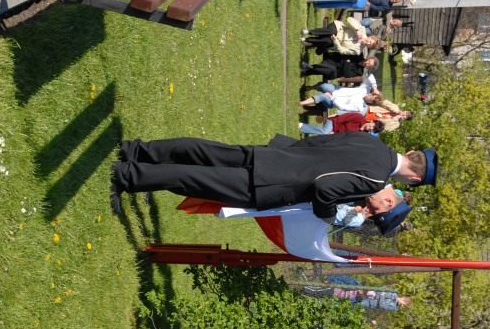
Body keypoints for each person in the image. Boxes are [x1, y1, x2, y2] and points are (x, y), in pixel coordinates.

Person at [111, 133, 439, 234]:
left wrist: (288, 154)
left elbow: (321, 141)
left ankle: (137, 150)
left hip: (277, 157)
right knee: (196, 179)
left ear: (412, 153)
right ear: (414, 178)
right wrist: (326, 216)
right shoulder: (375, 177)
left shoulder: (374, 143)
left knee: (205, 152)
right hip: (276, 182)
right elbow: (324, 187)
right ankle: (126, 175)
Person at [300, 17, 383, 56]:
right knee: (331, 32)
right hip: (339, 29)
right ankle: (308, 32)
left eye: (369, 45)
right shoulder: (362, 30)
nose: (368, 43)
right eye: (370, 42)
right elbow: (349, 19)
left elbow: (342, 51)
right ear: (370, 37)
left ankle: (306, 39)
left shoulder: (357, 51)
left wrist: (335, 41)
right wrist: (357, 30)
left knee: (328, 40)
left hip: (336, 42)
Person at [301, 55, 379, 81]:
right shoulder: (359, 56)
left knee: (331, 69)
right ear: (368, 58)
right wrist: (346, 64)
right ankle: (307, 71)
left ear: (369, 68)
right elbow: (345, 56)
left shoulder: (360, 72)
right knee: (329, 67)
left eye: (369, 65)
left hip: (335, 73)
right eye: (369, 61)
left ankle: (309, 67)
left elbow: (347, 74)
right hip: (334, 61)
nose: (367, 63)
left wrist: (347, 62)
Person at [299, 90, 385, 114]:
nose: (370, 94)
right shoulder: (362, 92)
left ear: (371, 102)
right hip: (336, 93)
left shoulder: (360, 107)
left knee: (324, 96)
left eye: (372, 96)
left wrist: (332, 98)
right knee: (324, 86)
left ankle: (302, 103)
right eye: (372, 93)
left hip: (333, 102)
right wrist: (334, 93)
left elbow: (342, 107)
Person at [299, 113, 385, 136]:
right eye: (373, 126)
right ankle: (302, 126)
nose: (371, 128)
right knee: (325, 132)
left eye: (373, 130)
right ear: (372, 121)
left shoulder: (361, 134)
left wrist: (334, 134)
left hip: (335, 133)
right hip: (333, 123)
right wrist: (334, 130)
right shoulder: (359, 117)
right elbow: (342, 118)